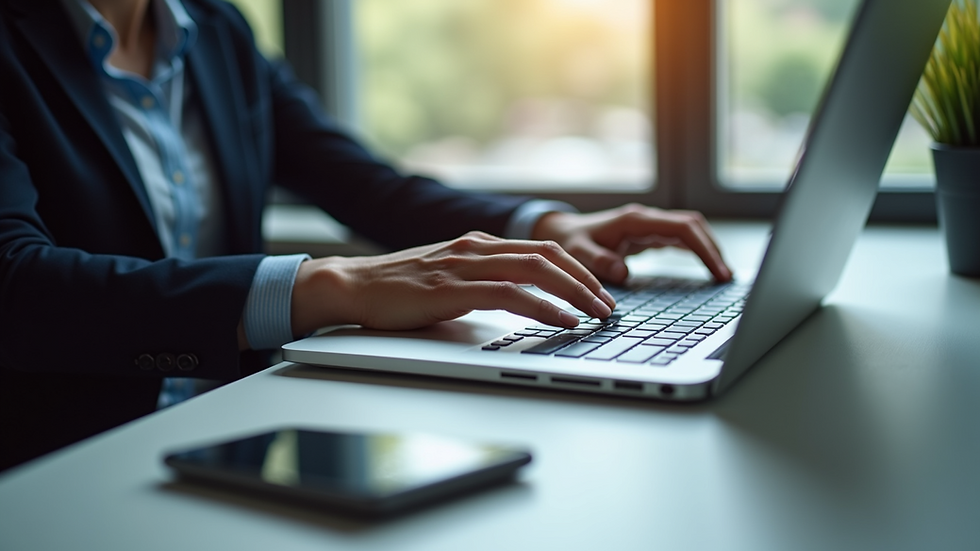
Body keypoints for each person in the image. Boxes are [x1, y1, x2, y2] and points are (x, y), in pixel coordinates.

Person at [0, 0, 731, 471]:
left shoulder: (216, 29)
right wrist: (332, 285)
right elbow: (15, 283)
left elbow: (359, 183)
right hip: (63, 464)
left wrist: (542, 226)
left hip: (238, 441)